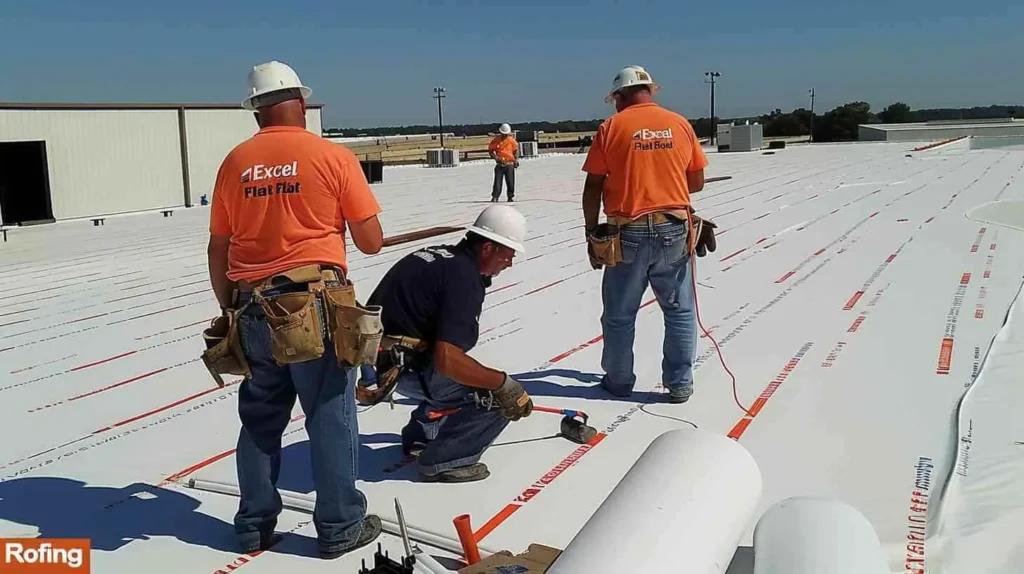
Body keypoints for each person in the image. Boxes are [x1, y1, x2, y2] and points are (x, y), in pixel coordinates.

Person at [206, 60, 385, 559]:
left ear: (256, 111)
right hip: (312, 308)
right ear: (300, 103)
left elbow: (218, 248)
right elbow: (371, 242)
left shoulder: (234, 162)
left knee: (261, 418)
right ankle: (339, 526)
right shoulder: (330, 155)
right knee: (329, 414)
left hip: (250, 307)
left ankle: (252, 525)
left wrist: (229, 309)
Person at [360, 205, 534, 483]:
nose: (509, 263)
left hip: (382, 359)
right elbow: (447, 360)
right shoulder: (463, 278)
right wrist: (503, 384)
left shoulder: (440, 256)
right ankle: (445, 460)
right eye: (507, 255)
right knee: (495, 396)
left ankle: (421, 435)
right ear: (487, 248)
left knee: (463, 377)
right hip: (405, 367)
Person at [580, 64, 716, 404]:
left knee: (619, 314)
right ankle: (680, 385)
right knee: (680, 311)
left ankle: (619, 381)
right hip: (674, 228)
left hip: (628, 232)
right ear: (649, 91)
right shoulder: (679, 124)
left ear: (620, 96)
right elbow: (696, 182)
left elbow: (593, 185)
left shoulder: (611, 127)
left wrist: (590, 232)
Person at [488, 123, 519, 202]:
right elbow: (491, 151)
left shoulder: (511, 140)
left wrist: (516, 160)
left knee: (510, 182)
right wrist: (496, 157)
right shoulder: (496, 140)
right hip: (500, 164)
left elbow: (515, 151)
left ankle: (510, 196)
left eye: (506, 134)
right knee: (497, 183)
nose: (504, 135)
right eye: (503, 133)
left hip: (509, 164)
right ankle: (495, 196)